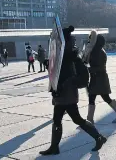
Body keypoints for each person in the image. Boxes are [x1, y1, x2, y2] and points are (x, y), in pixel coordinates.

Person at [40, 26, 107, 156]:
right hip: (60, 93)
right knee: (60, 119)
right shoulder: (61, 56)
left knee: (75, 119)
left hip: (68, 94)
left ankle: (98, 137)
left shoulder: (72, 57)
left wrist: (69, 82)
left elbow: (83, 76)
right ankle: (54, 147)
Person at [86, 33, 116, 124]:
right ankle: (90, 119)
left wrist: (88, 69)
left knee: (105, 97)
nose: (89, 41)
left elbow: (100, 67)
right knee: (94, 97)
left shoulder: (99, 52)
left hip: (99, 78)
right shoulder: (96, 51)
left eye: (91, 40)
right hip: (97, 78)